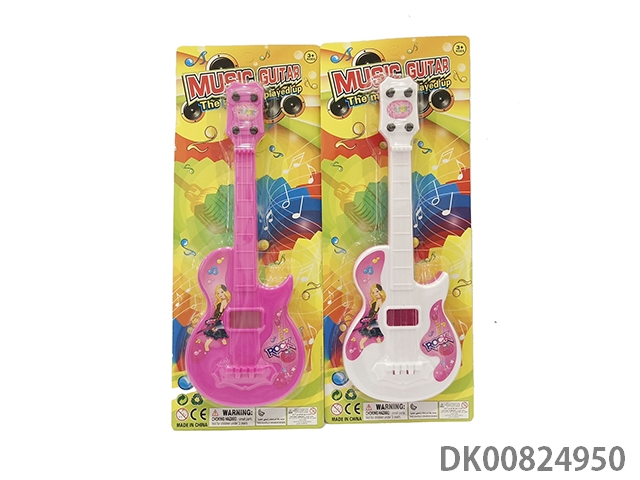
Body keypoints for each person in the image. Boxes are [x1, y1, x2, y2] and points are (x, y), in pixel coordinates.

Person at [355, 283, 385, 350]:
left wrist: (371, 319)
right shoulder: (379, 300)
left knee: (369, 333)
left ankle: (361, 345)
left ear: (381, 291)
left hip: (375, 319)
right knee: (376, 335)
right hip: (376, 319)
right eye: (373, 292)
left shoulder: (379, 301)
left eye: (377, 291)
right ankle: (381, 348)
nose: (375, 294)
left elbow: (376, 311)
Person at [202, 284, 230, 351]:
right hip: (221, 320)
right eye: (218, 293)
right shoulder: (224, 301)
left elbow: (221, 312)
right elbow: (220, 312)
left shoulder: (225, 301)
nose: (220, 294)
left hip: (223, 320)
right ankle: (207, 345)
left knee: (219, 334)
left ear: (226, 292)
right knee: (218, 334)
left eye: (222, 292)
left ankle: (207, 346)